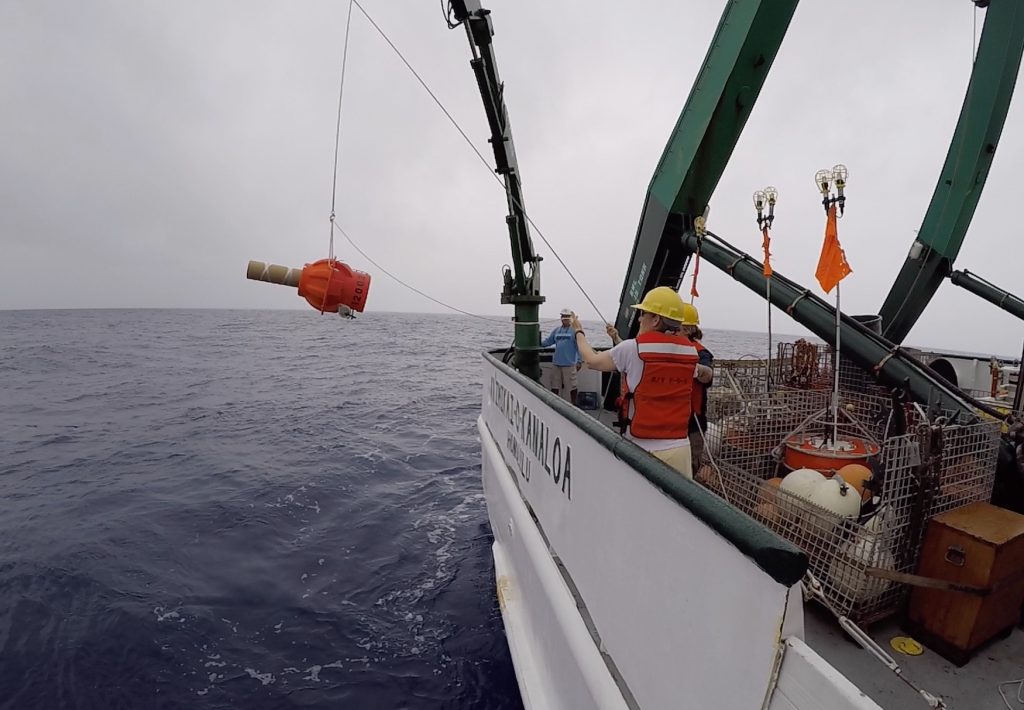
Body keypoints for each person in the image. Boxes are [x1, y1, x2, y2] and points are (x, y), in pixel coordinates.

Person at [572, 287, 712, 479]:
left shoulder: (632, 348)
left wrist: (578, 331)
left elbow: (591, 360)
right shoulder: (690, 352)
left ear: (655, 319)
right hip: (680, 450)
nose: (639, 319)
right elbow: (701, 373)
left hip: (643, 451)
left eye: (643, 314)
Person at [542, 307, 583, 404]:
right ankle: (554, 403)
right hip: (557, 363)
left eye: (567, 316)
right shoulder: (556, 330)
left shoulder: (575, 331)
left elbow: (580, 346)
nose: (565, 318)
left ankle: (574, 404)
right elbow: (548, 341)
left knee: (572, 386)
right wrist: (536, 341)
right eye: (563, 316)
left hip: (570, 364)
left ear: (571, 318)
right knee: (555, 385)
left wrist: (579, 361)